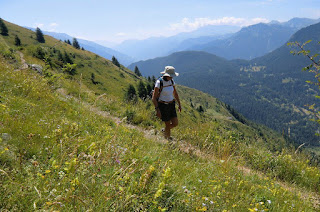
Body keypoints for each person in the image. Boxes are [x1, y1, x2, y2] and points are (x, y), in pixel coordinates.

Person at [152, 66, 182, 140]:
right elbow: (154, 97)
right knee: (167, 124)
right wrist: (157, 109)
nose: (172, 77)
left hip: (171, 104)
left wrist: (179, 104)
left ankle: (164, 131)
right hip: (163, 105)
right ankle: (168, 140)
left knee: (175, 123)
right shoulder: (159, 82)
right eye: (171, 76)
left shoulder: (171, 81)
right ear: (166, 75)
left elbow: (175, 93)